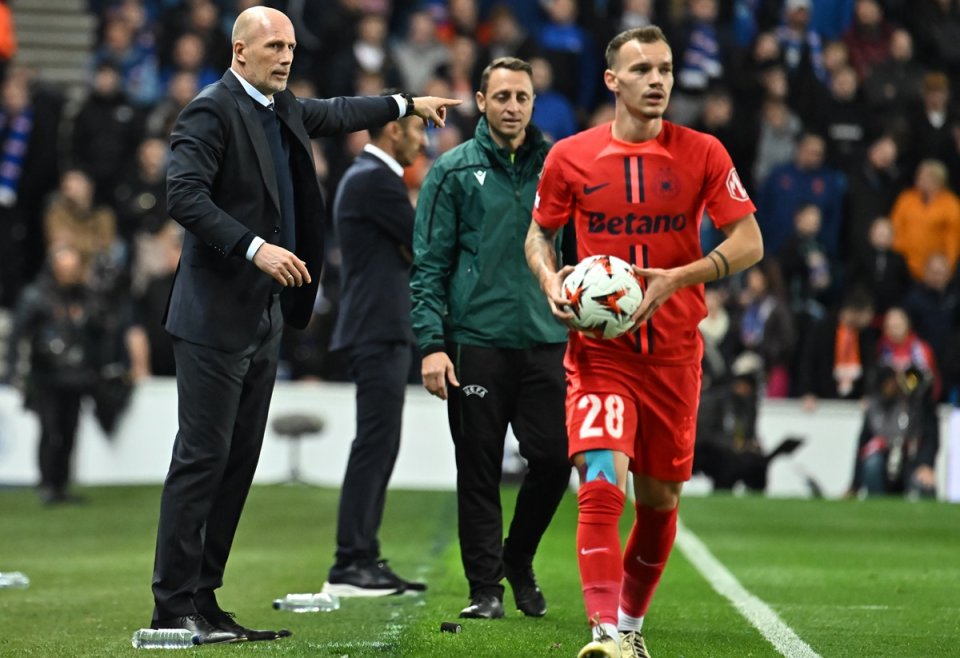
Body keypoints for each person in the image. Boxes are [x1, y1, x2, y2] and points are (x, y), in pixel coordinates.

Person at [150, 6, 459, 644]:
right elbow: (182, 193)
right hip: (213, 316)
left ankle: (204, 600)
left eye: (290, 46)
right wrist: (253, 247)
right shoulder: (210, 110)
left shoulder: (281, 107)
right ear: (239, 51)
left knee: (236, 464)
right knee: (202, 459)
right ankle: (172, 603)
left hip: (263, 316)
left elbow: (340, 111)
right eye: (273, 46)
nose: (286, 56)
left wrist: (405, 102)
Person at [525, 26, 763, 658]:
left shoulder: (704, 152)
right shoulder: (569, 157)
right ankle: (604, 633)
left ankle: (631, 626)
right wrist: (551, 281)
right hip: (601, 354)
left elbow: (749, 242)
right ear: (612, 81)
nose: (657, 80)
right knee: (602, 482)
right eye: (642, 70)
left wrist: (679, 277)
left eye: (664, 69)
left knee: (658, 504)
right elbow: (538, 236)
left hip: (674, 355)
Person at [410, 56, 571, 621]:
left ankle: (517, 557)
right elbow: (428, 266)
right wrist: (431, 343)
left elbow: (575, 255)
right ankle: (486, 589)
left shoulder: (560, 167)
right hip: (474, 342)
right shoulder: (451, 171)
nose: (511, 106)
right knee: (476, 468)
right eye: (500, 96)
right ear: (480, 101)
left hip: (546, 339)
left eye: (521, 97)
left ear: (533, 102)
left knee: (554, 459)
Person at [323, 94, 428, 597]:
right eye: (418, 131)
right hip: (377, 328)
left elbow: (411, 246)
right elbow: (423, 242)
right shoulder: (375, 180)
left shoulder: (369, 178)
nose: (423, 141)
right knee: (374, 444)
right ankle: (351, 561)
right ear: (393, 132)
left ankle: (362, 554)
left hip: (379, 327)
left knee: (379, 443)